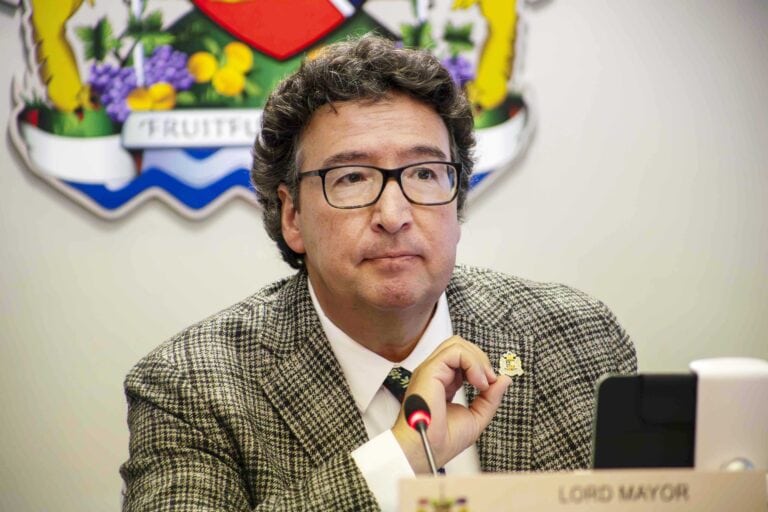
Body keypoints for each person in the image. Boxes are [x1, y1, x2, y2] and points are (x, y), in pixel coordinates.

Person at [120, 35, 636, 511]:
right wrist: (401, 457)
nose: (394, 214)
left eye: (425, 173)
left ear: (456, 201)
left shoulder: (578, 337)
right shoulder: (189, 385)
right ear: (293, 216)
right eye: (352, 178)